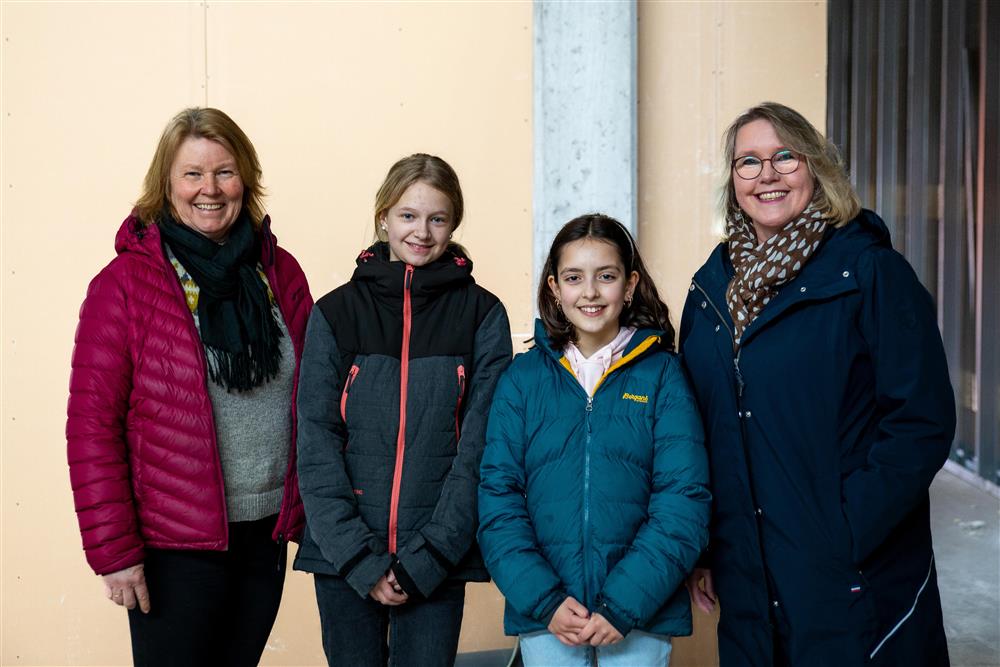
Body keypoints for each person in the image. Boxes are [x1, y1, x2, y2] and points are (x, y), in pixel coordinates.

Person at [679, 101, 955, 666]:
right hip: (749, 569)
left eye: (786, 156)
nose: (768, 175)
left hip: (852, 569)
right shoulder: (711, 292)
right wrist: (706, 546)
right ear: (733, 184)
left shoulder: (870, 273)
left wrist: (848, 529)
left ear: (817, 168)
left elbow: (920, 420)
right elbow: (701, 427)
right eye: (748, 163)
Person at [66, 107, 313, 666]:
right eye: (192, 174)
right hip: (170, 547)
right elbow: (91, 428)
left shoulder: (280, 272)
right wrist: (115, 553)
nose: (210, 189)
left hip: (264, 534)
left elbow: (316, 397)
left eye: (224, 172)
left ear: (244, 178)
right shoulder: (123, 287)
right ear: (166, 184)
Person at [294, 153, 512, 667]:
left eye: (437, 218)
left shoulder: (483, 315)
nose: (422, 231)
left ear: (453, 223)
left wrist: (430, 557)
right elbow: (315, 441)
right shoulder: (335, 313)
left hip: (435, 562)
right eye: (409, 215)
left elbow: (481, 448)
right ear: (384, 217)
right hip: (344, 559)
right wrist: (359, 560)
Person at [478, 214, 711, 667]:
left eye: (606, 276)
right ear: (553, 288)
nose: (589, 292)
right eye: (573, 278)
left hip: (640, 614)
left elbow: (683, 499)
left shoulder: (663, 375)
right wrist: (543, 600)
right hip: (548, 616)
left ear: (629, 285)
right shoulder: (522, 380)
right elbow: (497, 498)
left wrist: (624, 603)